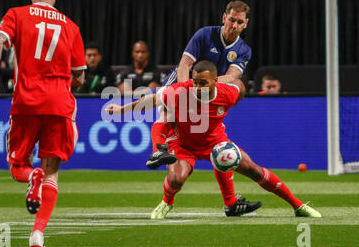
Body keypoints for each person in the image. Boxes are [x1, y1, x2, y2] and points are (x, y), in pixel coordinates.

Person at [106, 61, 321, 219]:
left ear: (215, 81)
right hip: (183, 144)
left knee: (253, 169)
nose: (198, 87)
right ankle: (166, 202)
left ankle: (298, 205)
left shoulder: (226, 93)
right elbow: (150, 100)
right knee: (176, 180)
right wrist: (121, 110)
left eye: (203, 83)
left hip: (215, 142)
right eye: (195, 82)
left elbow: (240, 86)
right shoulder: (180, 91)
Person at [0, 0, 86, 247]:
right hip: (60, 105)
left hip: (26, 102)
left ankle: (31, 177)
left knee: (17, 167)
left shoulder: (16, 14)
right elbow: (80, 77)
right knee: (51, 172)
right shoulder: (72, 27)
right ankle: (37, 234)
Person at [148, 0, 252, 169]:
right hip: (181, 82)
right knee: (168, 116)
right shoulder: (205, 35)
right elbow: (185, 64)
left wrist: (206, 88)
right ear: (224, 17)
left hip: (206, 91)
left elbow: (231, 77)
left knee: (213, 131)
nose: (234, 25)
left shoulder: (243, 50)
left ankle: (231, 195)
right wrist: (185, 90)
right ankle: (157, 151)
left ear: (245, 24)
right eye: (232, 20)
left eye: (240, 22)